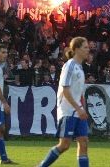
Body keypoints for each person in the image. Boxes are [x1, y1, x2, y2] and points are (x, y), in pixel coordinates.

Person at [37, 37, 90, 167]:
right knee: (65, 144)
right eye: (85, 47)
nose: (88, 49)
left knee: (83, 142)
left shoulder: (80, 67)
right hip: (68, 110)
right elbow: (65, 90)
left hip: (78, 110)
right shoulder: (70, 65)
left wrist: (82, 108)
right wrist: (78, 108)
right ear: (76, 49)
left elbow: (79, 93)